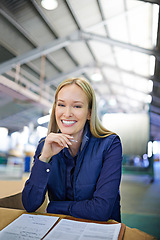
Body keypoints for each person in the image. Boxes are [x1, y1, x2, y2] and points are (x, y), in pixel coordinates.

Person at [22, 77, 122, 222]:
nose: (67, 113)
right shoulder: (45, 145)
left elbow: (101, 210)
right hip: (59, 229)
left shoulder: (109, 144)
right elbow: (30, 204)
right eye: (61, 104)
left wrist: (54, 207)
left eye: (77, 106)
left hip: (99, 230)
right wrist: (44, 159)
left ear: (89, 113)